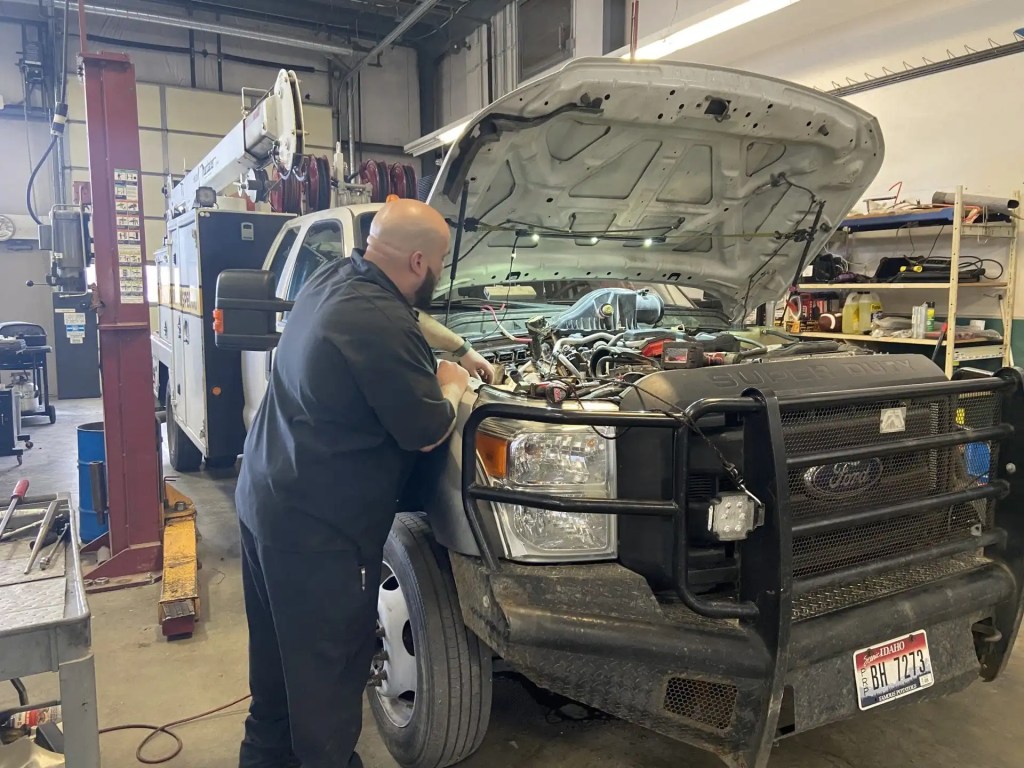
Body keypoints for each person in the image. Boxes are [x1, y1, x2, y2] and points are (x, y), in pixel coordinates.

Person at [235, 199, 493, 768]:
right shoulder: (377, 322)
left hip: (264, 502)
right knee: (327, 690)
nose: (442, 273)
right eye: (443, 262)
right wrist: (451, 381)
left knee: (276, 684)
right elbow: (428, 429)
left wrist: (460, 347)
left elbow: (404, 316)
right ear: (421, 262)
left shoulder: (340, 276)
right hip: (317, 534)